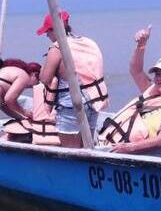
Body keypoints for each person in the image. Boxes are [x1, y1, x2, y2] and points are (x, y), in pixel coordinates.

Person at [99, 43, 161, 153]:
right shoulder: (151, 94)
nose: (160, 78)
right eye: (157, 74)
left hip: (136, 154)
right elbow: (136, 71)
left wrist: (129, 147)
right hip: (108, 145)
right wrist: (141, 46)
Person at [37, 11, 109, 148]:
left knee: (71, 151)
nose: (47, 35)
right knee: (87, 147)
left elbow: (45, 79)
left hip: (71, 103)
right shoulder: (87, 43)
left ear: (55, 30)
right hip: (93, 101)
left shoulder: (58, 48)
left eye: (48, 32)